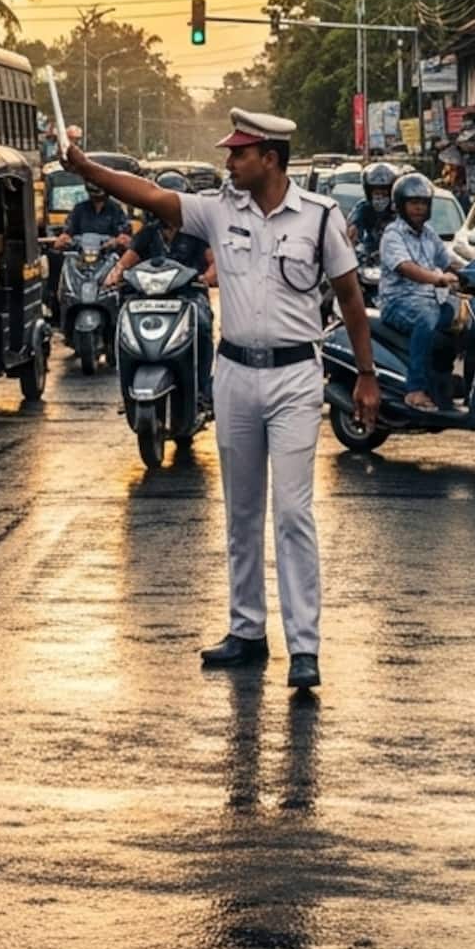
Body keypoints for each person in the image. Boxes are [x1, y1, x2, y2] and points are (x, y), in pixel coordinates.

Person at [63, 110, 379, 692]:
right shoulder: (219, 210)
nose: (229, 163)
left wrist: (365, 374)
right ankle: (247, 630)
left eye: (239, 154)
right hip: (233, 371)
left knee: (292, 512)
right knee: (240, 511)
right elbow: (152, 196)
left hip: (294, 378)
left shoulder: (318, 218)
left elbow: (350, 297)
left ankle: (304, 647)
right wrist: (87, 167)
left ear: (271, 159)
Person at [110, 170, 218, 404]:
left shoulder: (197, 233)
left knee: (203, 327)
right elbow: (127, 260)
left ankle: (202, 390)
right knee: (123, 327)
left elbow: (213, 263)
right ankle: (126, 391)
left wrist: (206, 278)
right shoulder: (148, 233)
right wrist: (114, 275)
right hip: (148, 299)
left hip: (189, 298)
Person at [377, 171, 466, 412]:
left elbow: (449, 260)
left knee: (465, 319)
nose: (418, 208)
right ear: (401, 206)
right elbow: (406, 268)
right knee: (426, 319)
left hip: (429, 300)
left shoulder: (429, 234)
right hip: (398, 302)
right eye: (413, 203)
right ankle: (415, 390)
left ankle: (445, 381)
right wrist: (437, 278)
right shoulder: (393, 234)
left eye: (423, 203)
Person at [54, 179, 131, 253]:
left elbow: (124, 235)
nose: (96, 196)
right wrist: (64, 239)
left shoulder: (115, 209)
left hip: (107, 254)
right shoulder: (79, 208)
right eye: (93, 193)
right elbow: (68, 231)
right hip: (81, 254)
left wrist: (118, 241)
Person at [349, 162, 398, 258]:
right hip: (369, 255)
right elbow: (352, 229)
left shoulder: (401, 209)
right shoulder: (363, 208)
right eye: (376, 192)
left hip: (398, 255)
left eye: (384, 192)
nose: (380, 196)